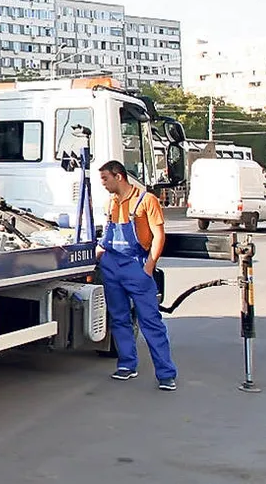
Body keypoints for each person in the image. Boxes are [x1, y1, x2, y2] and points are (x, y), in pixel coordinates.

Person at [96, 159, 177, 391]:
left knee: (150, 321)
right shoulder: (111, 203)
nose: (103, 184)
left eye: (105, 179)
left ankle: (166, 374)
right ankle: (127, 365)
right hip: (112, 265)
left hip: (136, 265)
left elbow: (158, 236)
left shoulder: (146, 200)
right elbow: (107, 237)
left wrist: (149, 267)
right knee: (119, 318)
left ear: (118, 176)